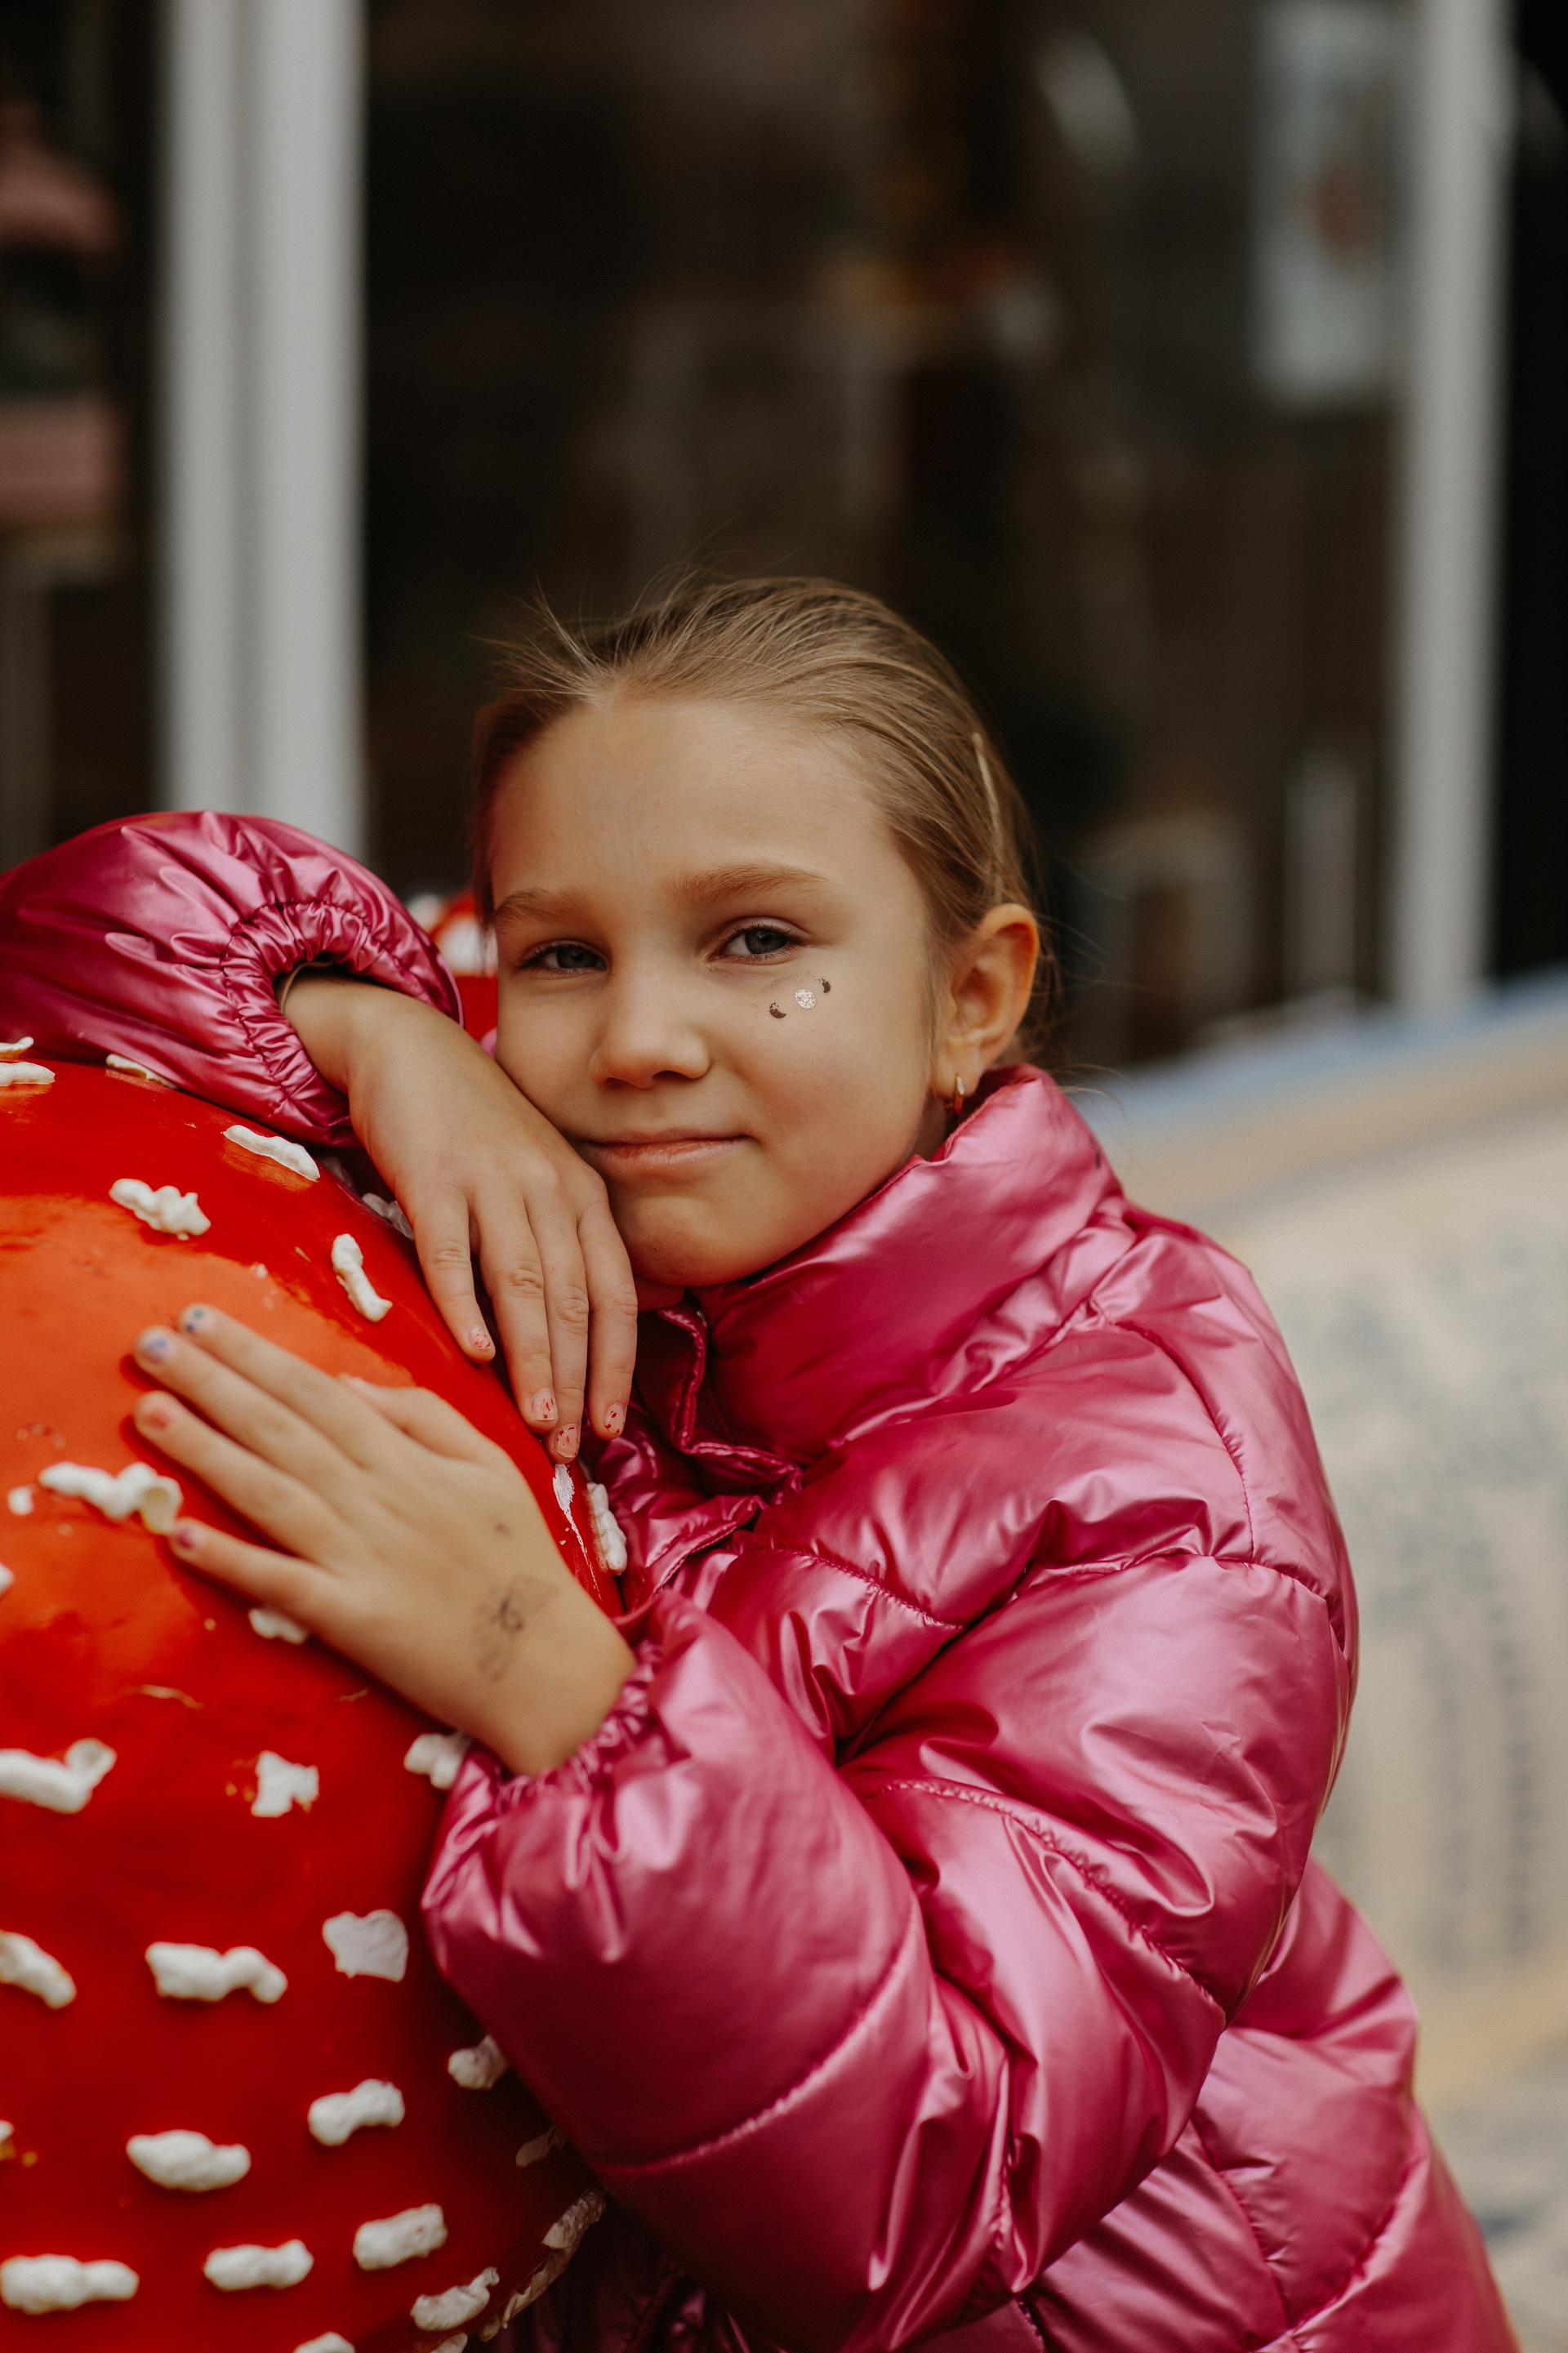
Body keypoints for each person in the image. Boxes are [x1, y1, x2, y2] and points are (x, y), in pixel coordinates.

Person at [0, 580, 1514, 2352]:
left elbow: (932, 2178)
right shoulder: (566, 1215)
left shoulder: (1157, 1479)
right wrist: (371, 1034)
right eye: (562, 955)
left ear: (971, 997)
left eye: (756, 940)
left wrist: (532, 1658)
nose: (638, 1037)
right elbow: (79, 946)